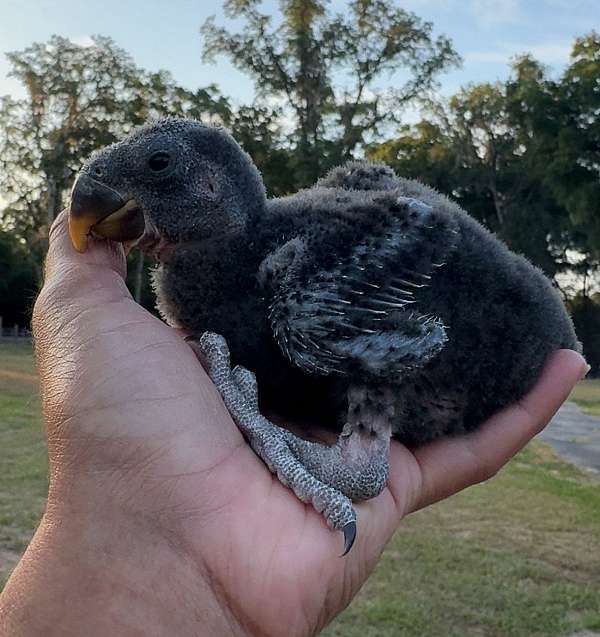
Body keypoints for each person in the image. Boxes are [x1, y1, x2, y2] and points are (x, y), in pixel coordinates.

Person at [0, 212, 587, 637]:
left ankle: (360, 452)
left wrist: (272, 430)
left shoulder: (289, 270)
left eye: (159, 169)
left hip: (482, 357)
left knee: (315, 317)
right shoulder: (236, 288)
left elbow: (413, 331)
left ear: (211, 185)